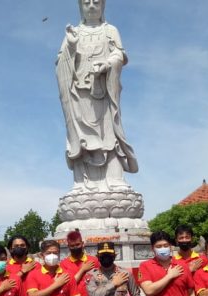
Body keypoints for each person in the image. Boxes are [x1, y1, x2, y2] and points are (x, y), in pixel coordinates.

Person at [56, 0, 138, 193]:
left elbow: (119, 55)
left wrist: (108, 64)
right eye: (86, 3)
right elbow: (61, 63)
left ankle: (115, 179)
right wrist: (71, 46)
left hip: (103, 94)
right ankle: (82, 183)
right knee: (80, 137)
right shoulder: (73, 33)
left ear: (103, 6)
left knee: (109, 136)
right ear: (80, 7)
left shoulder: (110, 30)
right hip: (79, 95)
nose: (91, 6)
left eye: (96, 2)